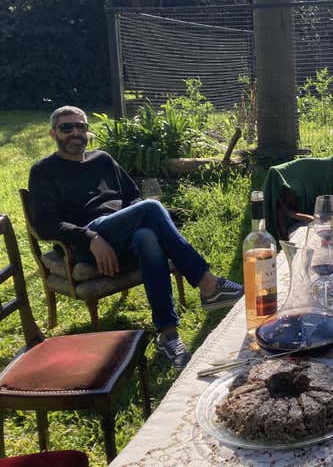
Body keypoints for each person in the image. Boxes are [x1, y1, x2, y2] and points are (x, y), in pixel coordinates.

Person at [28, 106, 244, 368]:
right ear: (53, 133)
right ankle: (208, 284)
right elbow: (45, 225)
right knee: (152, 208)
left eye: (81, 126)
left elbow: (132, 197)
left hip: (123, 235)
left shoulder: (103, 160)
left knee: (146, 237)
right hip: (87, 242)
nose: (75, 132)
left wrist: (132, 214)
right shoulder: (44, 171)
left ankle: (168, 334)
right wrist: (91, 237)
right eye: (67, 127)